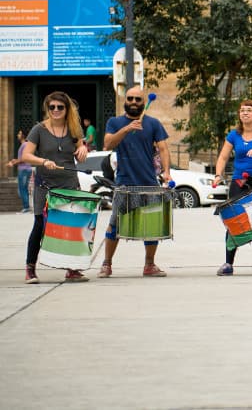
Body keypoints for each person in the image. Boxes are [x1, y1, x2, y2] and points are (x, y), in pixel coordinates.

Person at [98, 86, 172, 278]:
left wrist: (167, 173)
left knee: (152, 225)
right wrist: (126, 128)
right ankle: (107, 264)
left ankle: (149, 264)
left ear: (144, 101)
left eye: (138, 99)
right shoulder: (115, 122)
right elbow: (108, 143)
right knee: (115, 223)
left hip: (149, 181)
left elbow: (163, 149)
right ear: (125, 100)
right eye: (130, 98)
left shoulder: (153, 123)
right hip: (124, 182)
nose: (133, 102)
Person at [21, 93, 89, 283]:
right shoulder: (39, 130)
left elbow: (80, 150)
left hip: (69, 184)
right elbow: (26, 155)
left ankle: (71, 269)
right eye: (52, 107)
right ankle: (30, 268)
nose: (56, 110)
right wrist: (43, 161)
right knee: (40, 226)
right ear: (47, 109)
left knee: (70, 226)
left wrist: (83, 149)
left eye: (60, 107)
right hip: (45, 186)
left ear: (67, 109)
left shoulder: (74, 129)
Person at [214, 99, 252, 276]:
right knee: (234, 221)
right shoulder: (233, 135)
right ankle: (228, 263)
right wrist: (218, 174)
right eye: (242, 111)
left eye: (249, 110)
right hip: (239, 182)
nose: (245, 113)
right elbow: (223, 157)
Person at [8, 129, 33, 214]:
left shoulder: (25, 144)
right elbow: (22, 158)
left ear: (23, 135)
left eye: (19, 133)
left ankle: (26, 207)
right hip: (23, 170)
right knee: (22, 189)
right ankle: (26, 207)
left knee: (23, 189)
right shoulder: (24, 145)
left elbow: (24, 158)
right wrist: (15, 161)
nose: (18, 135)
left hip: (25, 170)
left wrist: (14, 162)